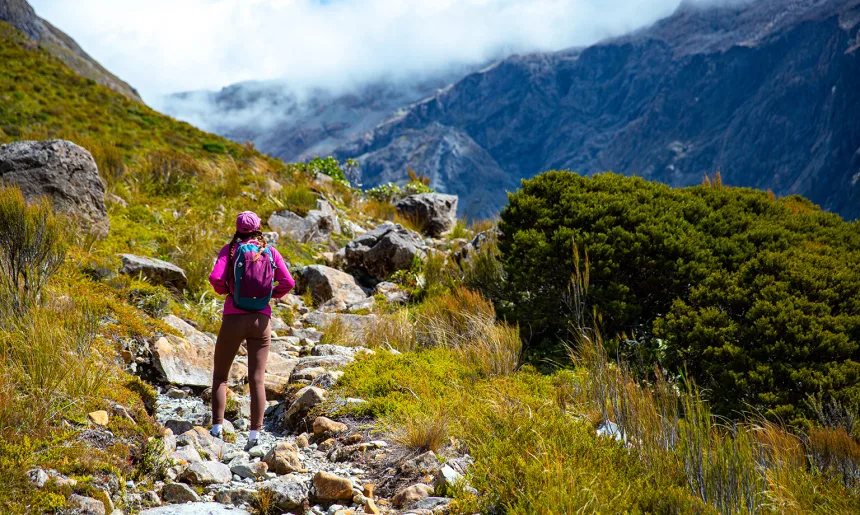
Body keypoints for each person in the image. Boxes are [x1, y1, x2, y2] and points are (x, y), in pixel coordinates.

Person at [208, 211, 294, 449]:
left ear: (237, 229)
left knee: (220, 377)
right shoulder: (270, 251)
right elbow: (288, 282)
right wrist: (269, 296)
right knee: (257, 380)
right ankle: (254, 435)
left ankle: (216, 429)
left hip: (233, 318)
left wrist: (228, 291)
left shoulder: (231, 250)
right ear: (259, 229)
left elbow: (215, 278)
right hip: (261, 321)